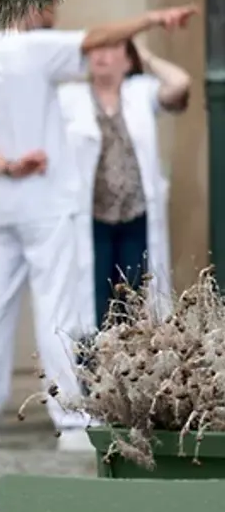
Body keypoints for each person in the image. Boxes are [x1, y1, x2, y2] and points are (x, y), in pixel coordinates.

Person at [0, 1, 197, 452]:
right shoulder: (37, 49)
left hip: (2, 205)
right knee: (57, 311)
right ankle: (70, 421)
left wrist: (6, 166)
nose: (54, 12)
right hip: (46, 203)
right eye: (48, 3)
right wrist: (151, 20)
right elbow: (98, 36)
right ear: (31, 6)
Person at [59, 39, 190, 329]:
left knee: (135, 304)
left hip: (135, 218)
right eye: (96, 48)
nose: (102, 55)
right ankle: (93, 359)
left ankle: (132, 359)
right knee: (94, 307)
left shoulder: (140, 92)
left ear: (128, 60)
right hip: (92, 220)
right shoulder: (69, 98)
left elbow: (180, 83)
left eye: (112, 48)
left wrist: (147, 56)